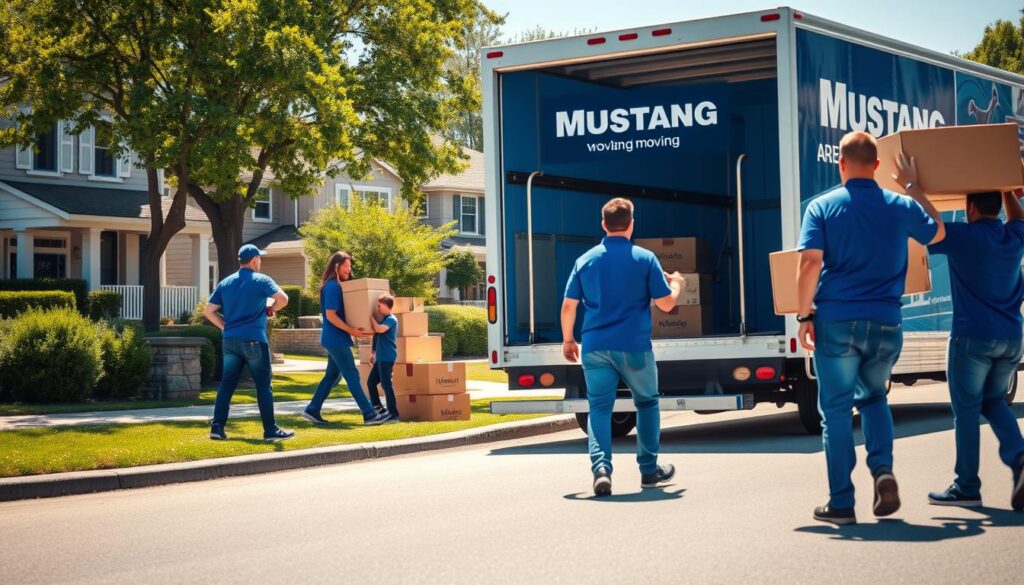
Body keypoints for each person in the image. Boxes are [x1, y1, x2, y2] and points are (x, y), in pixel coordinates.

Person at [797, 131, 946, 525]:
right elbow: (938, 230)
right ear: (877, 166)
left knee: (835, 410)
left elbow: (811, 263)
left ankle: (842, 503)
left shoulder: (821, 207)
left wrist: (803, 315)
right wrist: (913, 186)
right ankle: (882, 471)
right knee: (875, 399)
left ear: (840, 164)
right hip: (885, 322)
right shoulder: (898, 204)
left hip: (836, 321)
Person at [561, 197, 686, 497]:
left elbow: (569, 305)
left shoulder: (585, 260)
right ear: (631, 224)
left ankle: (601, 470)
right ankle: (648, 470)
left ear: (603, 225)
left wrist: (568, 339)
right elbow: (667, 304)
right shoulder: (645, 259)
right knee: (646, 403)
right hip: (634, 347)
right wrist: (678, 283)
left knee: (600, 409)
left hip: (594, 346)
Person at [925, 188, 1024, 511]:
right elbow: (1019, 217)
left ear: (969, 208)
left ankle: (967, 485)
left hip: (972, 339)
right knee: (994, 401)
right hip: (1011, 338)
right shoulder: (1013, 236)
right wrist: (1009, 189)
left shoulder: (964, 236)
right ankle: (1020, 458)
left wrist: (913, 188)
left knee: (966, 410)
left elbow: (930, 226)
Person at [204, 244, 294, 442]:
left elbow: (208, 311)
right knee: (263, 385)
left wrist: (225, 327)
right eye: (259, 258)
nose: (260, 261)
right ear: (255, 260)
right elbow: (283, 299)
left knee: (227, 384)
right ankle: (270, 430)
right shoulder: (262, 280)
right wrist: (272, 310)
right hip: (254, 340)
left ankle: (217, 428)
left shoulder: (226, 283)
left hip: (230, 341)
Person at [302, 252, 390, 426]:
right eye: (346, 266)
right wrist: (351, 330)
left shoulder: (334, 285)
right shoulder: (333, 286)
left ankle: (312, 409)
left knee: (331, 376)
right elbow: (331, 315)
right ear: (336, 266)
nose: (349, 270)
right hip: (336, 339)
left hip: (335, 338)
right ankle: (369, 414)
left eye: (350, 267)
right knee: (352, 375)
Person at [367, 294, 400, 423]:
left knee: (386, 385)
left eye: (379, 305)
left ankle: (394, 414)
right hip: (380, 357)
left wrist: (371, 318)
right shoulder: (383, 319)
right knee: (371, 382)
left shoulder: (392, 319)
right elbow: (376, 335)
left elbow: (379, 330)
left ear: (387, 306)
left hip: (387, 357)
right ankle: (379, 409)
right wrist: (373, 353)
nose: (378, 308)